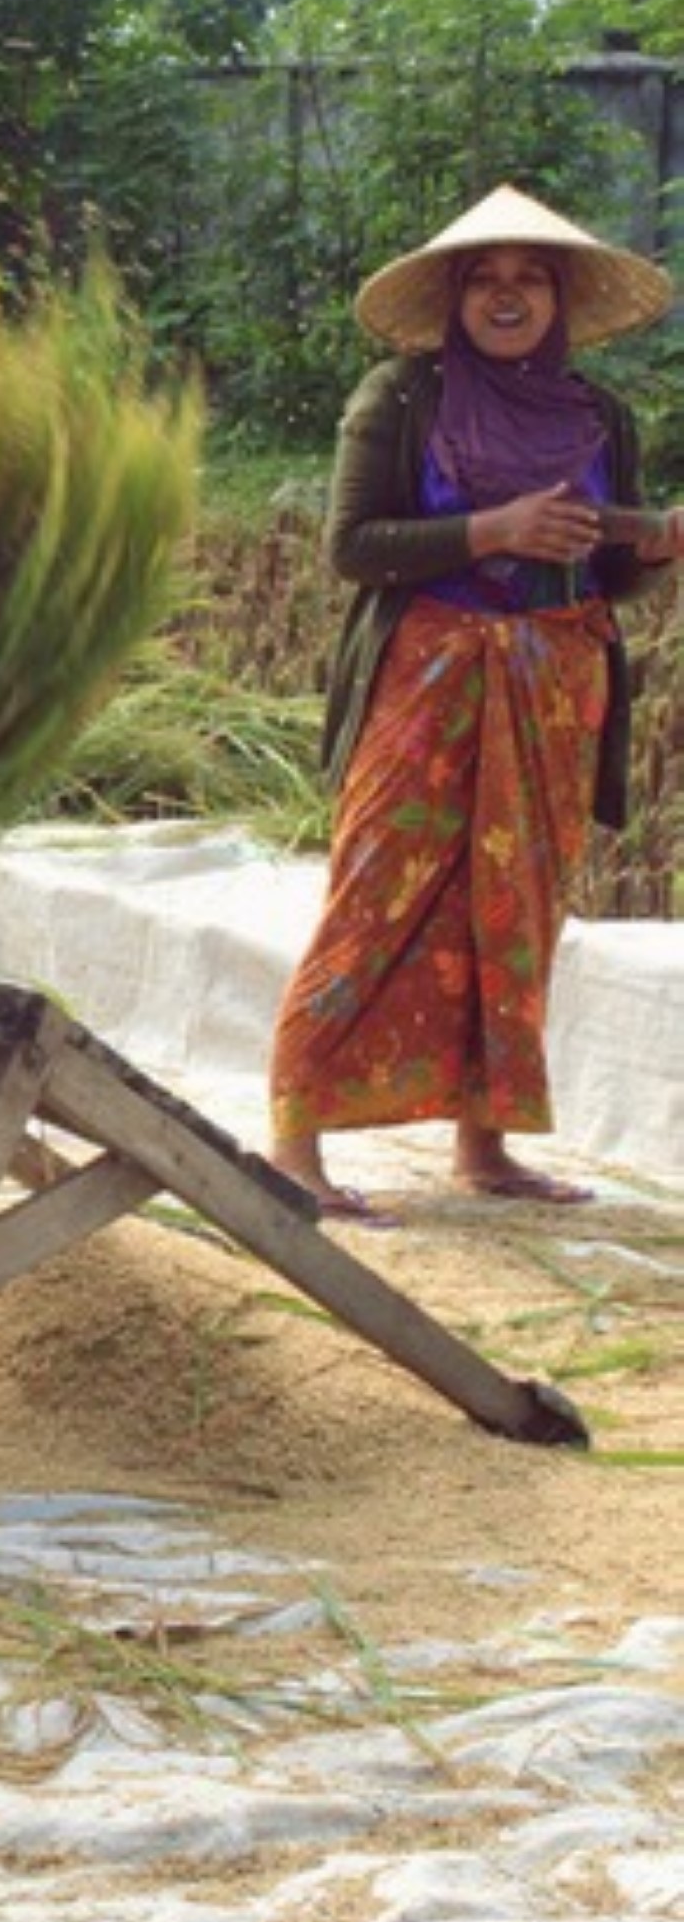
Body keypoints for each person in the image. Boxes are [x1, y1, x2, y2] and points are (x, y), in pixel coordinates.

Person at [268, 184, 681, 1220]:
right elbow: (350, 545)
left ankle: (482, 1146)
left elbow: (602, 574)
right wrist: (487, 531)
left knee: (517, 906)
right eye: (484, 279)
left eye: (528, 278)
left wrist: (651, 549)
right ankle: (292, 1145)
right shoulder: (398, 399)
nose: (507, 296)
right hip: (428, 670)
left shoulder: (597, 415)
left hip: (554, 683)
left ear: (558, 298)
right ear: (453, 298)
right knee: (377, 887)